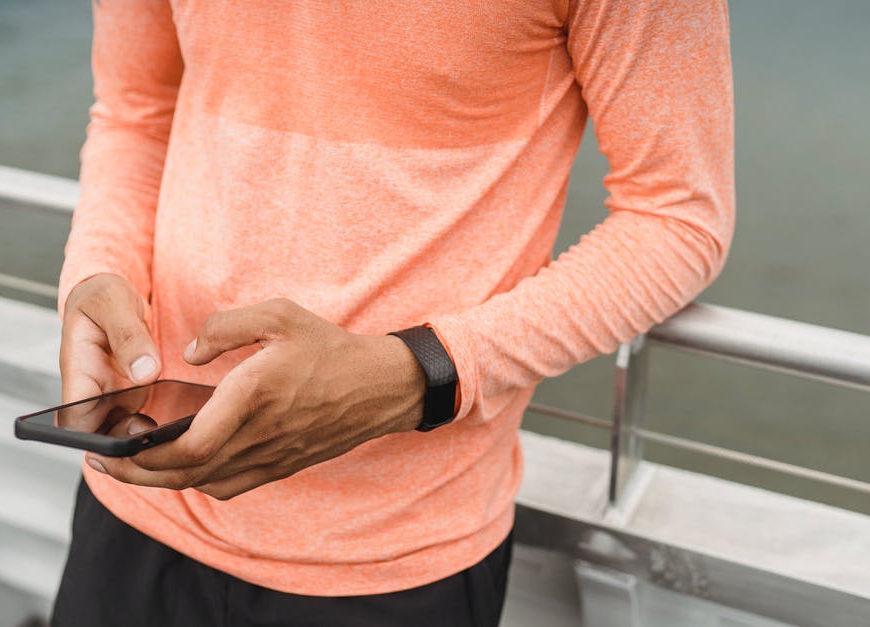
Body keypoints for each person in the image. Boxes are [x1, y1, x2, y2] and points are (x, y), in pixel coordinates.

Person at [50, 1, 734, 625]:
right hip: (138, 493)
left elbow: (677, 214)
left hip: (394, 559)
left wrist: (421, 371)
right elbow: (136, 113)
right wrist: (96, 269)